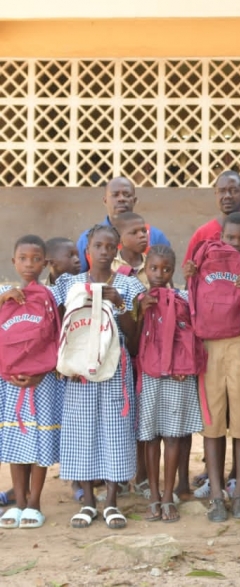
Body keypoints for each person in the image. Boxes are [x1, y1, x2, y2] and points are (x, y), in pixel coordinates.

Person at [53, 224, 145, 529]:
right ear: (88, 250)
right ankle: (88, 501)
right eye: (98, 247)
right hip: (80, 371)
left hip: (115, 369)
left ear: (117, 250)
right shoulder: (71, 284)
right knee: (81, 432)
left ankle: (112, 502)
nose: (104, 252)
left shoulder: (128, 286)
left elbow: (132, 342)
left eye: (109, 247)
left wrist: (119, 305)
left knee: (115, 431)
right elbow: (57, 318)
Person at [184, 212, 240, 522]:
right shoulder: (205, 263)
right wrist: (191, 273)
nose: (237, 243)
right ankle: (217, 495)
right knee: (212, 426)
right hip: (210, 351)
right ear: (221, 238)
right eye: (231, 238)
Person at [0, 236, 64, 529]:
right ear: (13, 261)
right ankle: (19, 503)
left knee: (39, 440)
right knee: (15, 441)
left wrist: (41, 372)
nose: (29, 264)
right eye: (23, 258)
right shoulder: (5, 293)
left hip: (44, 381)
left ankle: (35, 503)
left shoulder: (54, 296)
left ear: (45, 263)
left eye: (36, 259)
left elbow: (59, 339)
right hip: (11, 382)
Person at [136, 245, 203, 523]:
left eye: (165, 269)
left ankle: (167, 496)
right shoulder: (138, 298)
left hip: (178, 375)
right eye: (153, 268)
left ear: (173, 270)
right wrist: (138, 311)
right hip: (150, 375)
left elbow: (192, 336)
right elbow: (132, 340)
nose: (159, 274)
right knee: (151, 437)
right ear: (145, 269)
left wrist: (181, 364)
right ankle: (152, 495)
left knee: (173, 436)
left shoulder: (184, 299)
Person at [76, 177, 170, 272]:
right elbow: (77, 279)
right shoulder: (88, 238)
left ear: (134, 200)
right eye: (115, 195)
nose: (121, 199)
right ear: (105, 201)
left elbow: (166, 276)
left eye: (127, 195)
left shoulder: (155, 236)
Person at [185, 171, 240, 262]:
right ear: (215, 193)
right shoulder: (202, 234)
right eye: (222, 191)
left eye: (234, 190)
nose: (227, 196)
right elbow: (189, 273)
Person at [111, 212, 151, 288]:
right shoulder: (110, 266)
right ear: (119, 238)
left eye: (144, 231)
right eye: (134, 232)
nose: (142, 235)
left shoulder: (153, 265)